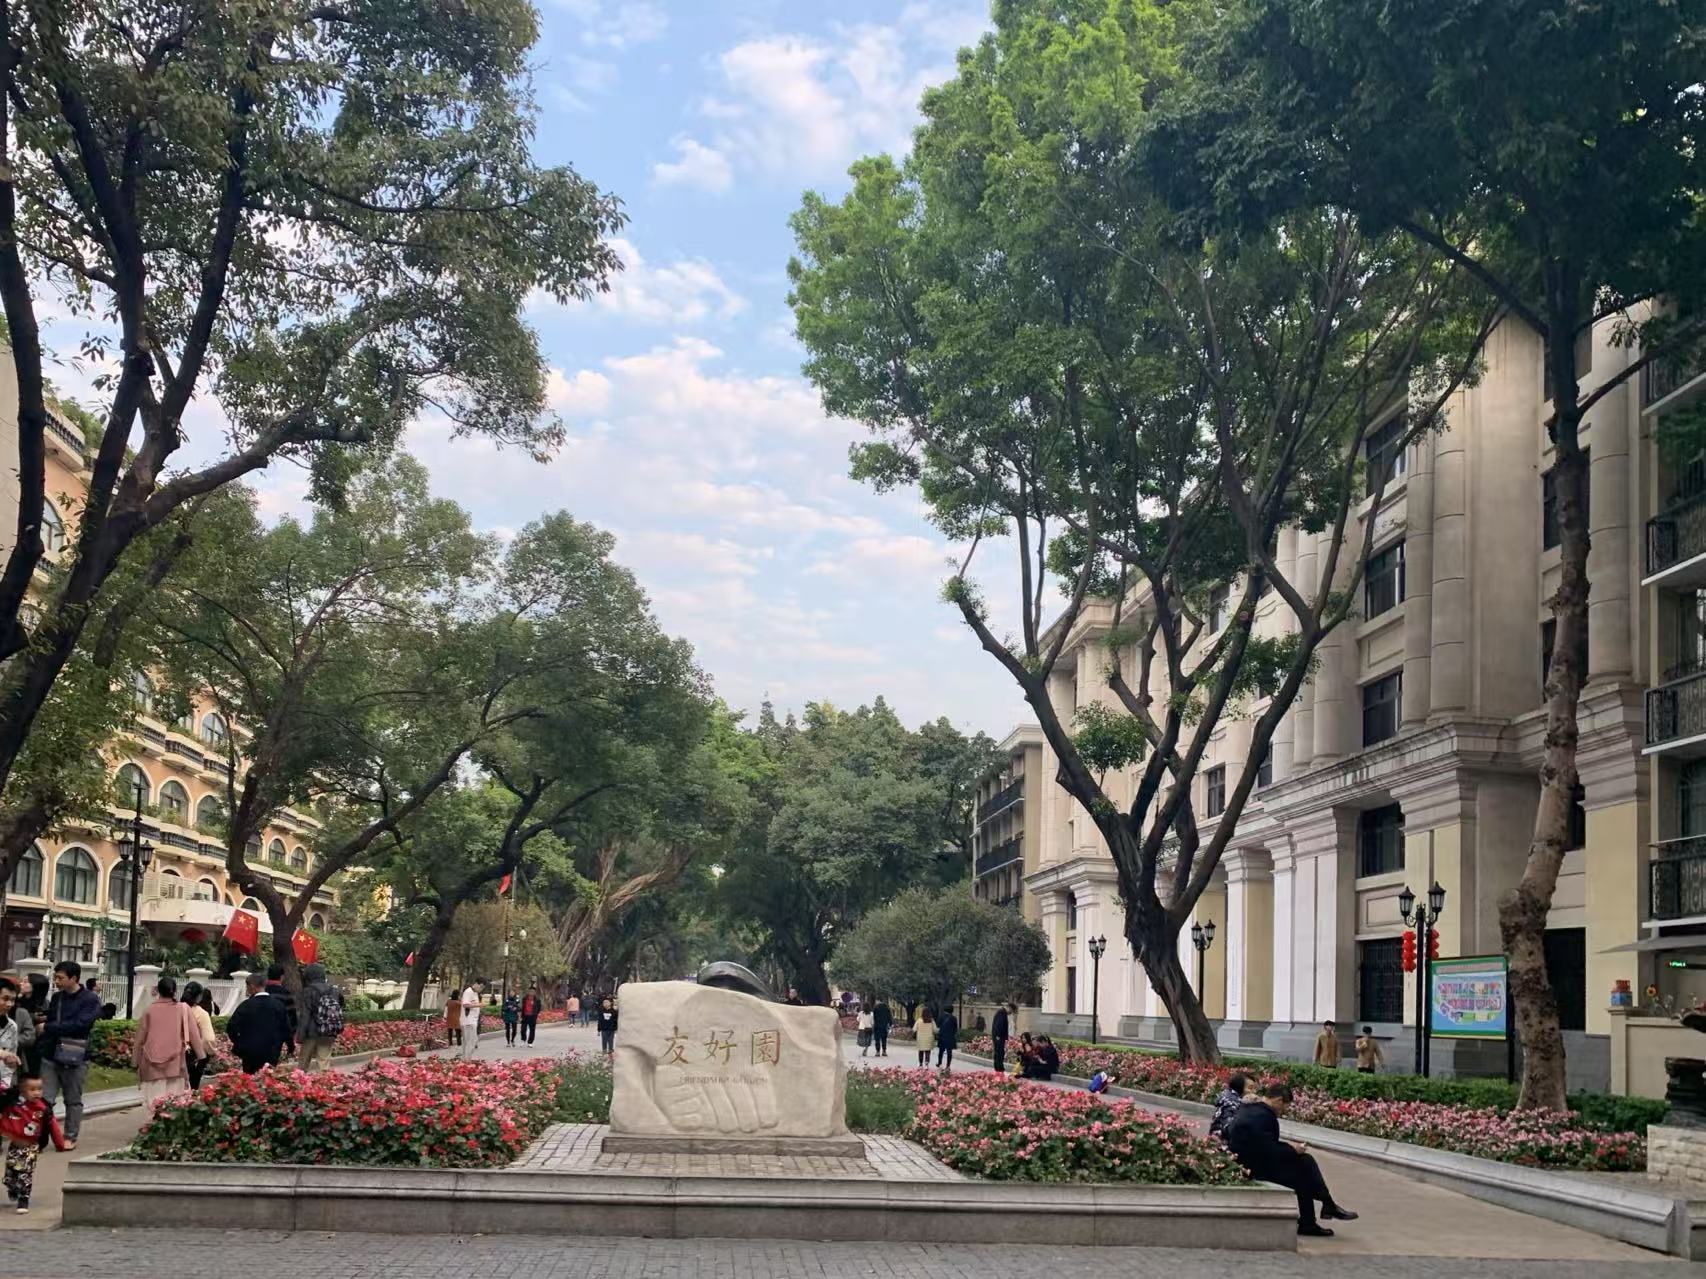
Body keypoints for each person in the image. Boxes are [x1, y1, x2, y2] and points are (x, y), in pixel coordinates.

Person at [1223, 1082, 1357, 1237]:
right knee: (1303, 1173)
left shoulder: (1252, 1109)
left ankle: (1323, 1209)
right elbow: (1268, 1148)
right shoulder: (1263, 1115)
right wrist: (1293, 1149)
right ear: (1278, 1100)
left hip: (1250, 1161)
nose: (1284, 1111)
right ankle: (1321, 1210)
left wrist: (1290, 1148)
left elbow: (1262, 1142)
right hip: (1254, 1168)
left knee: (1305, 1162)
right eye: (1285, 1106)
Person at [39, 960, 100, 1149]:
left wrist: (49, 1027)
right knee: (44, 1100)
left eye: (60, 978)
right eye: (55, 977)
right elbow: (52, 1019)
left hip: (75, 1055)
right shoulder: (57, 998)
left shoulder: (90, 999)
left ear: (74, 978)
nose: (56, 981)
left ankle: (70, 1137)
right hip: (51, 1054)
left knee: (72, 1099)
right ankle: (40, 1138)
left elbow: (81, 1025)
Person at [132, 975, 205, 1106]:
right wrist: (201, 1056)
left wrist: (135, 1062)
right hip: (175, 1065)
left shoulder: (149, 1010)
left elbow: (139, 1040)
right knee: (174, 1105)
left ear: (159, 990)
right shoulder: (183, 1009)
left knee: (154, 1105)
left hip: (152, 1066)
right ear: (175, 991)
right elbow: (194, 1035)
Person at [1, 1074, 67, 1213]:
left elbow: (53, 1126)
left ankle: (23, 1199)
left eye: (39, 1089)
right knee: (10, 1173)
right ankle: (13, 1187)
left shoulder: (43, 1109)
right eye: (32, 1089)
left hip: (31, 1146)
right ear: (22, 1091)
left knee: (25, 1171)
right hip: (15, 1144)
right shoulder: (13, 1104)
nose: (37, 1092)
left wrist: (60, 1144)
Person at [225, 972, 293, 1073]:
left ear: (252, 986)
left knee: (249, 1079)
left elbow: (231, 1027)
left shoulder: (246, 1005)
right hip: (272, 1051)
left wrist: (240, 1043)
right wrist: (290, 1046)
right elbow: (286, 1029)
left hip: (250, 1052)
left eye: (247, 986)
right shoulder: (278, 1005)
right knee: (268, 1078)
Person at [297, 963, 345, 1072]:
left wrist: (300, 1036)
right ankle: (324, 1081)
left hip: (312, 1032)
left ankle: (300, 1082)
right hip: (328, 1031)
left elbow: (305, 1015)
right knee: (324, 1064)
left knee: (303, 1064)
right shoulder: (334, 990)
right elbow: (340, 1007)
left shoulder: (308, 991)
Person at [181, 980, 217, 1090]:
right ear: (199, 996)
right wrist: (212, 1052)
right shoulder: (201, 1013)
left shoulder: (174, 1009)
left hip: (174, 1055)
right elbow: (208, 1039)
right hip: (193, 1056)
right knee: (192, 1088)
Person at [0, 978, 33, 1091]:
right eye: (5, 999)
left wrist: (5, 1084)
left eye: (12, 1000)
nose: (9, 1004)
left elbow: (10, 1061)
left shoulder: (12, 1026)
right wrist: (2, 1054)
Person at [263, 964, 298, 1052]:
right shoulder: (285, 994)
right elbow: (291, 1017)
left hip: (259, 1033)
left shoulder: (261, 991)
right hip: (278, 1034)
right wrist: (291, 1039)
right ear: (282, 977)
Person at [1209, 1072, 1249, 1140]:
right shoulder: (1231, 1102)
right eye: (1250, 1088)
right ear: (1239, 1087)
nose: (1254, 1091)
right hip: (1222, 1138)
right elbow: (1229, 1124)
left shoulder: (1229, 1096)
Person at [459, 981, 482, 1058]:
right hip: (468, 1021)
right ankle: (466, 1059)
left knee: (472, 1041)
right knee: (470, 1041)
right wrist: (478, 1005)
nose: (481, 989)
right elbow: (465, 1004)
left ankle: (466, 1059)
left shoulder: (475, 993)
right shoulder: (468, 992)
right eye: (481, 987)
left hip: (473, 1020)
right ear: (476, 984)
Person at [990, 1002, 1012, 1074]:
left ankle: (1000, 1068)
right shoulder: (1001, 1013)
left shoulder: (1003, 1013)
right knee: (999, 1052)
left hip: (999, 1037)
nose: (1010, 1013)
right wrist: (998, 1036)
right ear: (1009, 1008)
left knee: (1000, 1052)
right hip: (998, 1037)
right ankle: (999, 1068)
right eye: (1011, 1011)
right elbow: (999, 1025)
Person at [936, 1006, 959, 1070]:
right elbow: (955, 1028)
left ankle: (939, 1063)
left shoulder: (941, 1017)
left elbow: (938, 1025)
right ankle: (948, 1066)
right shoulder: (954, 1018)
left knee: (941, 1051)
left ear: (945, 1010)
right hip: (950, 1037)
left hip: (942, 1036)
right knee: (949, 1052)